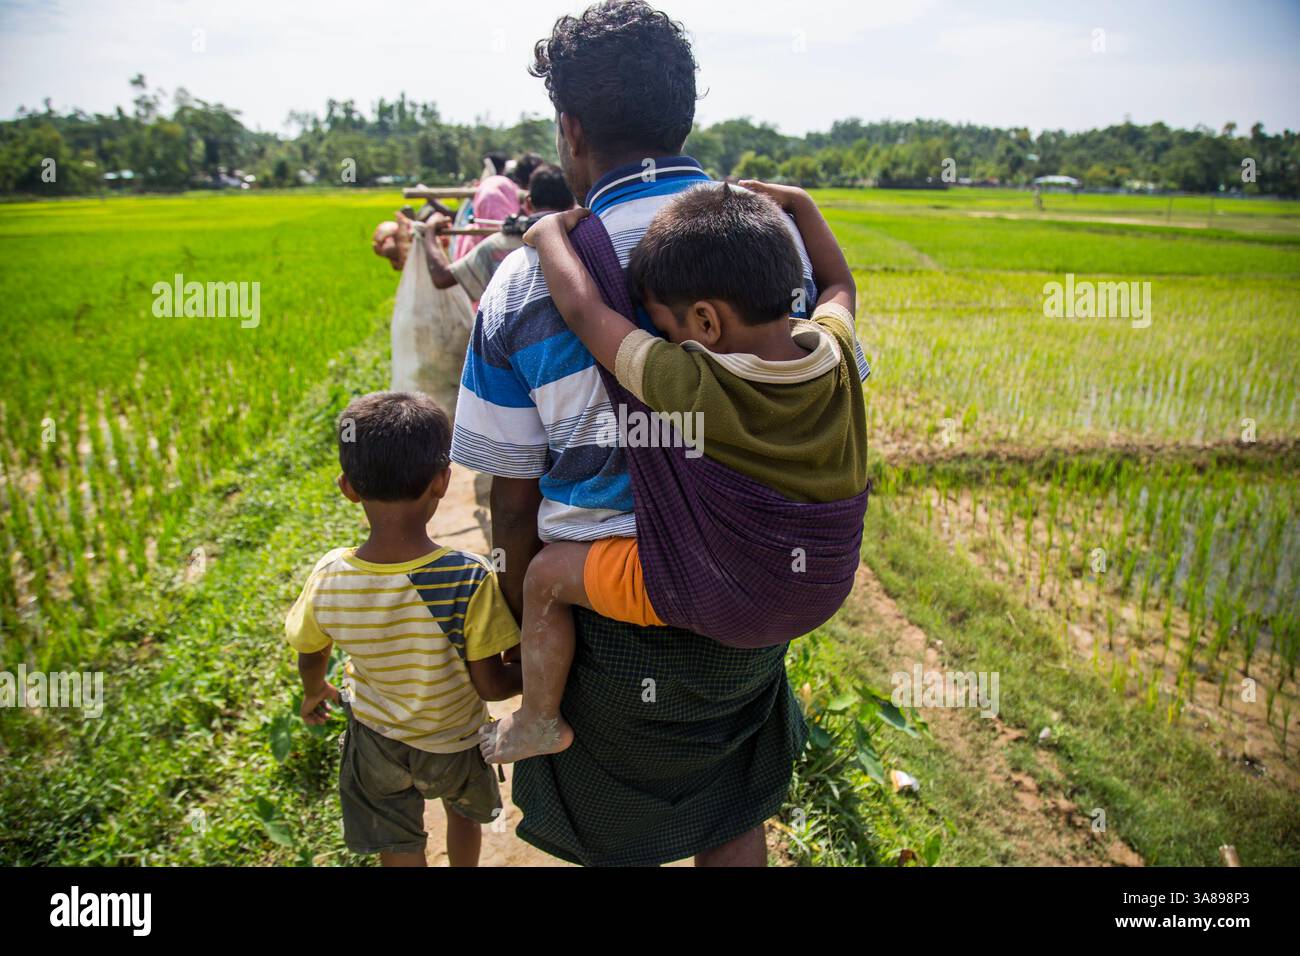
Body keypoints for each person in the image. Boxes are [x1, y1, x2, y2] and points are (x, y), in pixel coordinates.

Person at [452, 0, 869, 867]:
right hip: (753, 606)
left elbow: (512, 493)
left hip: (608, 635)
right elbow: (831, 351)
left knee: (610, 832)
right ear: (686, 114)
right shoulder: (771, 249)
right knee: (729, 810)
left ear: (570, 131)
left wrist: (532, 639)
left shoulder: (522, 289)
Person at [478, 180, 867, 766]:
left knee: (545, 576)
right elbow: (840, 284)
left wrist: (548, 233)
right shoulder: (834, 350)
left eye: (665, 328)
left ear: (706, 322)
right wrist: (802, 202)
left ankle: (538, 720)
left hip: (728, 598)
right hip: (825, 586)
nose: (663, 339)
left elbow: (585, 312)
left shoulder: (696, 385)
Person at [284, 391, 521, 867]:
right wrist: (536, 671)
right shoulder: (469, 577)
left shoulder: (330, 576)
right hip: (453, 741)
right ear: (442, 482)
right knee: (463, 816)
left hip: (375, 739)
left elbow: (311, 648)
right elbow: (490, 684)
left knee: (397, 841)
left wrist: (314, 690)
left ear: (347, 487)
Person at [422, 163, 574, 300]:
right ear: (571, 205)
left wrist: (430, 231)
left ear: (528, 203)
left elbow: (441, 277)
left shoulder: (495, 245)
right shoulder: (583, 240)